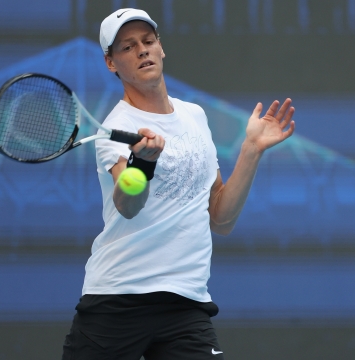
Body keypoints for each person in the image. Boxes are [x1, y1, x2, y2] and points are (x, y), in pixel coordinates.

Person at [62, 8, 295, 360]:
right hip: (118, 299)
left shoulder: (194, 116)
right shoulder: (115, 128)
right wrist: (143, 163)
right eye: (127, 47)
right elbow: (127, 205)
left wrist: (251, 151)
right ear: (111, 63)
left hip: (187, 304)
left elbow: (220, 218)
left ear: (161, 48)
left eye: (148, 41)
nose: (142, 50)